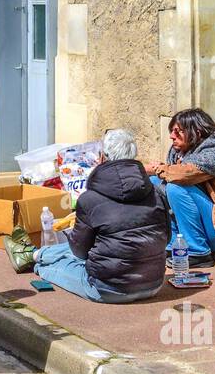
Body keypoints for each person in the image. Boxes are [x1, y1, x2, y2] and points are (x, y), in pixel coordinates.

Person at [30, 128, 169, 303]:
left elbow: (79, 252)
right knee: (101, 245)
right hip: (153, 285)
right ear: (134, 157)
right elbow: (166, 237)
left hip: (106, 288)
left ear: (103, 157)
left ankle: (35, 257)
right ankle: (37, 253)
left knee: (49, 267)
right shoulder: (156, 193)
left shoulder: (90, 199)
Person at [146, 108, 215, 267]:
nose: (171, 136)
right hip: (207, 227)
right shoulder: (178, 151)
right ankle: (174, 244)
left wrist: (155, 168)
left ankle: (198, 252)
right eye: (171, 131)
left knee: (175, 187)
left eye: (177, 132)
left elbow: (186, 173)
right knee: (154, 182)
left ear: (197, 132)